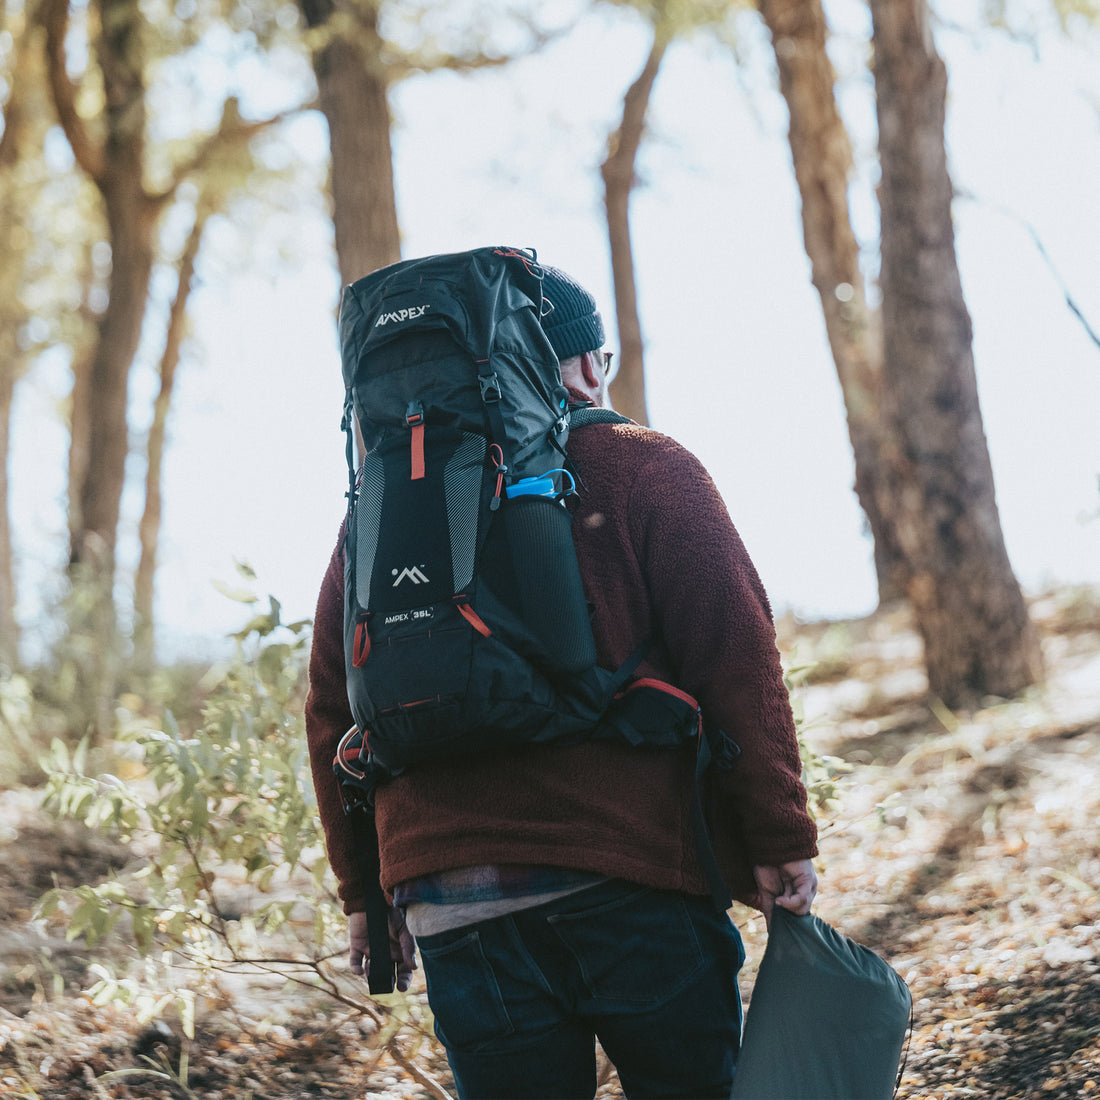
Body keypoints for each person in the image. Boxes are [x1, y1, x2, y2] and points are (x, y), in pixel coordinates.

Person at [305, 262, 819, 1099]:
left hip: (450, 899)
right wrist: (778, 835)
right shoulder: (644, 466)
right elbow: (736, 657)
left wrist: (366, 892)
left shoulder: (384, 507)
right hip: (630, 871)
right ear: (583, 363)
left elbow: (333, 713)